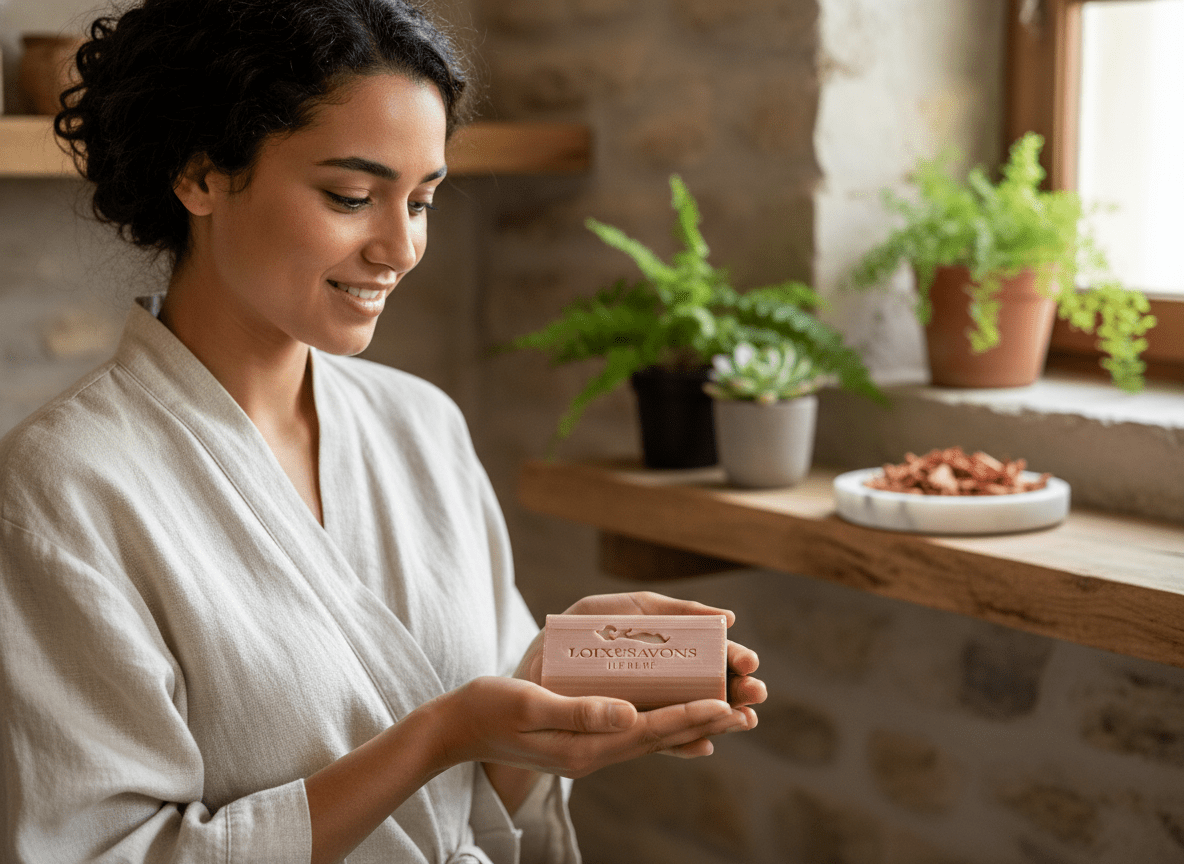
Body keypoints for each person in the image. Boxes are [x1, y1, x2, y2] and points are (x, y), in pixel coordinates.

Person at [0, 1, 767, 862]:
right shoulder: (62, 488)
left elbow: (476, 812)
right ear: (201, 172)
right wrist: (440, 735)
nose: (400, 247)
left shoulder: (422, 426)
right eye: (352, 196)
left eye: (424, 200)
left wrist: (545, 696)